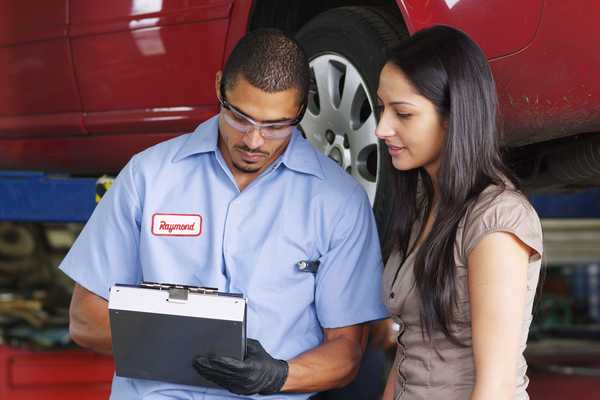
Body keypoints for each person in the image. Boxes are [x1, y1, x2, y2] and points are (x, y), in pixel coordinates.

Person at [60, 29, 389, 399]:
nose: (253, 140)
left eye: (276, 126)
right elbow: (84, 320)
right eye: (240, 118)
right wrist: (190, 346)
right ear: (220, 87)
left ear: (301, 109)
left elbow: (346, 354)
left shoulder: (339, 202)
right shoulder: (148, 176)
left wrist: (278, 375)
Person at [376, 26, 543, 400]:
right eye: (382, 108)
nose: (381, 128)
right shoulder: (424, 203)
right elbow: (409, 353)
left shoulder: (497, 219)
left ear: (453, 117)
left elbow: (494, 389)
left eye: (402, 113)